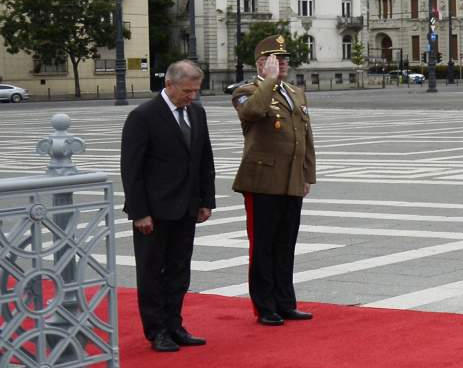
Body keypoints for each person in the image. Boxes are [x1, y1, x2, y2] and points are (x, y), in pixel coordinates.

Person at [120, 60, 216, 352]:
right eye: (188, 91)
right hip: (154, 211)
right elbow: (131, 170)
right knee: (151, 273)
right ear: (169, 85)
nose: (193, 96)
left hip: (186, 208)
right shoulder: (143, 116)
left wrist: (206, 200)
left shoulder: (196, 113)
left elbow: (204, 160)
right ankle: (157, 330)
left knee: (179, 271)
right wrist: (139, 212)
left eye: (196, 90)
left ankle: (175, 325)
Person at [231, 35, 317, 325]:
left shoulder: (295, 92)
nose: (282, 64)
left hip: (291, 180)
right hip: (262, 180)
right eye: (275, 60)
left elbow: (306, 137)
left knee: (286, 244)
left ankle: (285, 302)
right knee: (263, 246)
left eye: (284, 60)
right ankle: (265, 306)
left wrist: (307, 175)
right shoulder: (247, 90)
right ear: (261, 63)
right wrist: (267, 80)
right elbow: (252, 112)